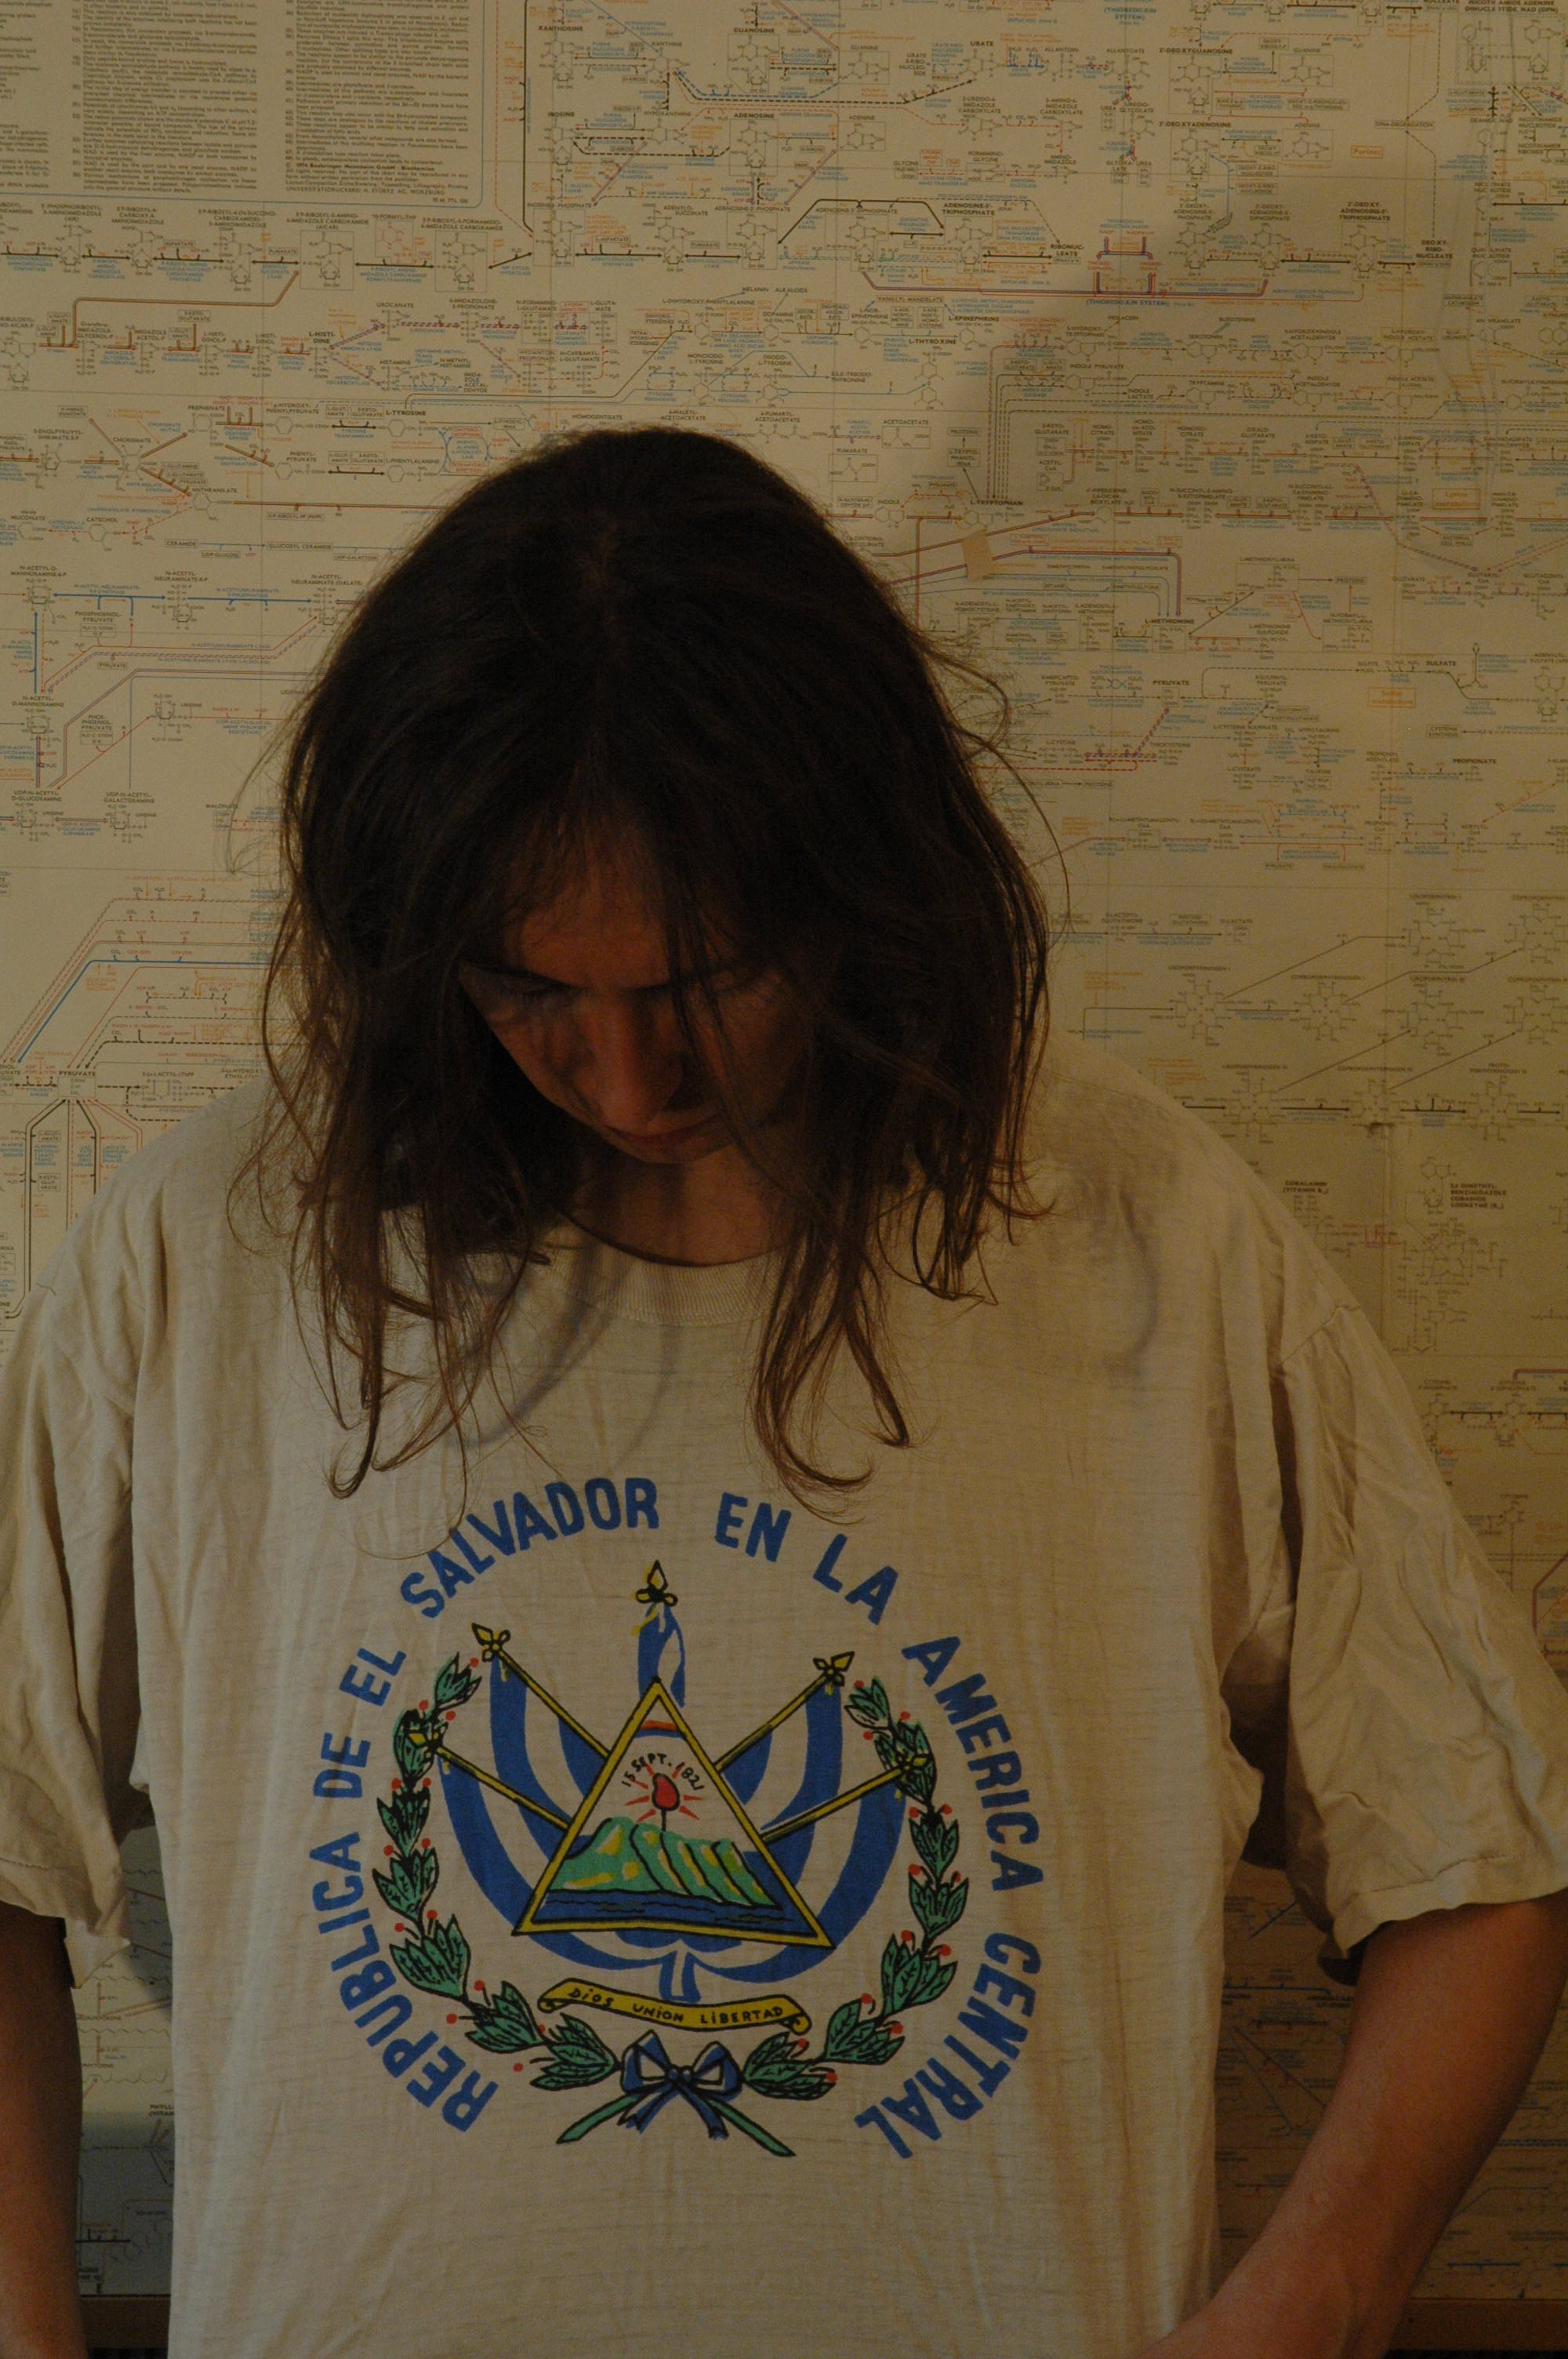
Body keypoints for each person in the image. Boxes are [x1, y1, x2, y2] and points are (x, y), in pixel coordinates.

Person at [2, 426, 1567, 2359]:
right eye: (530, 990)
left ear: (862, 885)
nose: (626, 1076)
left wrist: (1310, 2304)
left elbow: (1479, 1858)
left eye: (705, 981)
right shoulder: (209, 1254)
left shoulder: (1142, 1233)